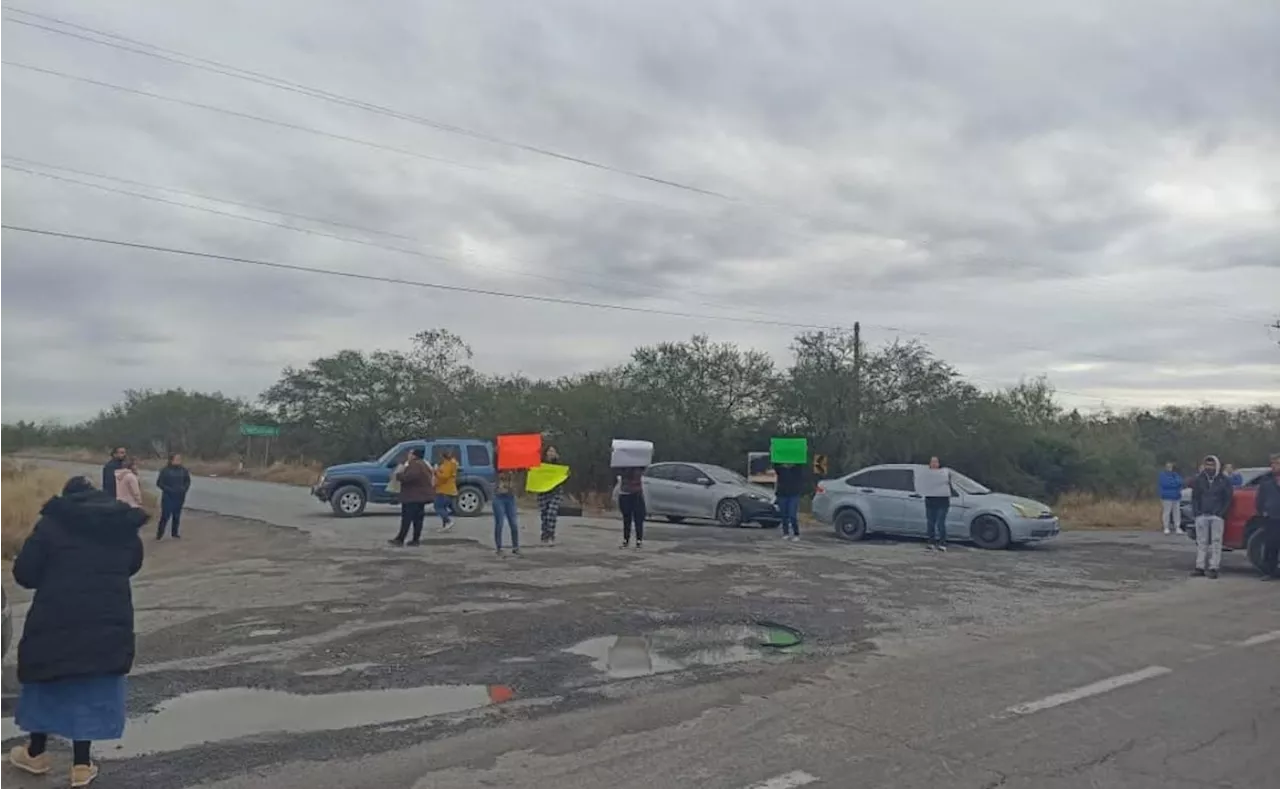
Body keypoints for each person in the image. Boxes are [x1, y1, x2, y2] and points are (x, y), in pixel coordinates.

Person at [8, 476, 146, 787]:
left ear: (66, 499)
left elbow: (25, 574)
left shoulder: (51, 524)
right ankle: (81, 766)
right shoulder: (121, 526)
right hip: (108, 617)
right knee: (90, 686)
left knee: (47, 680)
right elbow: (132, 563)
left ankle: (35, 753)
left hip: (55, 617)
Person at [1190, 455, 1233, 579]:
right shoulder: (1199, 479)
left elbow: (1228, 498)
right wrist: (1197, 513)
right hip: (1202, 515)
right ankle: (1200, 567)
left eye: (1212, 465)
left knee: (1216, 542)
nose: (1209, 467)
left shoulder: (1224, 480)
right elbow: (1195, 497)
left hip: (1217, 516)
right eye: (1207, 465)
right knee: (1201, 542)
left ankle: (1214, 567)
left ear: (1217, 466)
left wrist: (1221, 513)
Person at [389, 448, 433, 547]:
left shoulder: (415, 464)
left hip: (412, 497)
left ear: (414, 455)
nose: (408, 455)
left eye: (410, 453)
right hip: (420, 496)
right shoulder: (424, 464)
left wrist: (398, 474)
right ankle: (415, 540)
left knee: (407, 519)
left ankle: (400, 539)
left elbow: (408, 477)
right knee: (418, 519)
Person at [918, 456, 953, 552]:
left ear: (939, 463)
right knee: (930, 523)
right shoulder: (926, 474)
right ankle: (931, 542)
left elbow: (949, 483)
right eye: (932, 462)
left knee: (940, 523)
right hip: (930, 500)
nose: (933, 464)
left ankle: (942, 543)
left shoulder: (945, 472)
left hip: (942, 501)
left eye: (936, 462)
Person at [154, 453, 192, 540]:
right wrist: (168, 489)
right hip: (168, 497)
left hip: (180, 496)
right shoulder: (165, 470)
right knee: (165, 516)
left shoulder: (183, 470)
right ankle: (159, 534)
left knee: (177, 516)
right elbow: (159, 483)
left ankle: (175, 533)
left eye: (180, 459)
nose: (179, 460)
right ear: (171, 460)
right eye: (177, 459)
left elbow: (187, 481)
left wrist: (184, 489)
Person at [1256, 453, 1280, 580]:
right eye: (1273, 464)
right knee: (1271, 545)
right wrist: (1263, 511)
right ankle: (1269, 571)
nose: (1275, 466)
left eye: (1278, 463)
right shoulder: (1266, 480)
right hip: (1272, 517)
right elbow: (1260, 499)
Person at [538, 445, 565, 545]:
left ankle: (551, 534)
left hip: (556, 491)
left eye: (553, 451)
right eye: (550, 451)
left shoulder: (558, 463)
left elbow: (565, 473)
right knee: (544, 514)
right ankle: (544, 533)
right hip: (542, 491)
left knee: (551, 513)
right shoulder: (540, 463)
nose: (551, 453)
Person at [492, 464, 521, 556]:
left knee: (513, 523)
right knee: (499, 523)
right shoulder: (498, 467)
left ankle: (515, 547)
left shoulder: (514, 468)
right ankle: (499, 547)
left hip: (510, 497)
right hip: (498, 497)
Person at [773, 461, 804, 542]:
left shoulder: (797, 469)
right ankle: (785, 533)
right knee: (784, 515)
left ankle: (796, 534)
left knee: (792, 515)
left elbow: (800, 461)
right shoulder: (780, 469)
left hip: (793, 494)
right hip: (782, 494)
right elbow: (775, 463)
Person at [616, 466, 646, 549]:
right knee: (627, 518)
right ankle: (626, 540)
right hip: (626, 493)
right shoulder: (624, 467)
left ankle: (638, 540)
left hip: (636, 493)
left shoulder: (639, 467)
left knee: (638, 518)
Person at [433, 449, 459, 532]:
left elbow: (444, 476)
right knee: (443, 507)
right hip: (448, 489)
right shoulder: (451, 463)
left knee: (438, 507)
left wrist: (436, 471)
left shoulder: (448, 464)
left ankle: (448, 521)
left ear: (443, 456)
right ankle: (445, 526)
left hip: (444, 489)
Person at [1158, 461, 1184, 535]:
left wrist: (1174, 483)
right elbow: (1165, 484)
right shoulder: (1162, 475)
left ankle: (1177, 527)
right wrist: (1175, 483)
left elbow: (1180, 482)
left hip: (1176, 496)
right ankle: (1166, 527)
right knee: (1167, 512)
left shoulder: (1175, 474)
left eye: (1171, 467)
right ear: (1165, 467)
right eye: (1168, 467)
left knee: (1177, 512)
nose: (1169, 468)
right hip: (1167, 497)